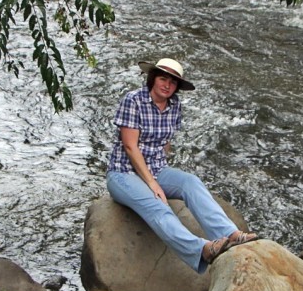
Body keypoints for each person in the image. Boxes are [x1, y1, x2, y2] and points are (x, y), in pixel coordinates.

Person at [106, 57, 257, 274]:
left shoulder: (174, 105)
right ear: (152, 79)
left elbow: (165, 142)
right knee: (159, 206)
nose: (167, 85)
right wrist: (152, 184)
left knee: (190, 182)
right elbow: (130, 147)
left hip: (157, 169)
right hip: (124, 174)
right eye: (162, 78)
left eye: (173, 82)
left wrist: (163, 175)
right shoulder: (133, 100)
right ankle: (202, 249)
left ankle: (230, 235)